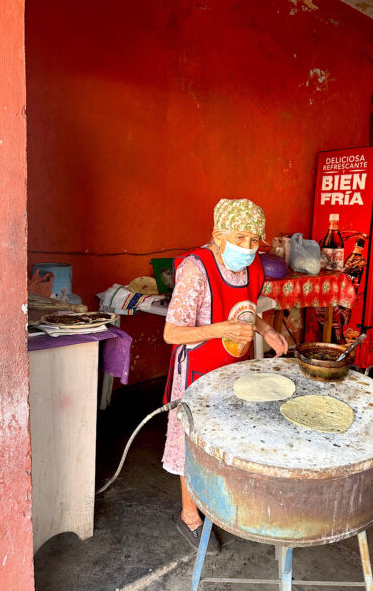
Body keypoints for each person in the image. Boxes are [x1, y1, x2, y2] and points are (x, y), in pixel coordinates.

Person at [162, 198, 288, 554]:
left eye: (254, 239)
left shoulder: (254, 267)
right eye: (240, 237)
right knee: (192, 441)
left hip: (232, 369)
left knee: (227, 437)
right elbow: (172, 333)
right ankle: (189, 514)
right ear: (218, 234)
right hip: (198, 370)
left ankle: (218, 500)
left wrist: (266, 330)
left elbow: (247, 311)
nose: (248, 247)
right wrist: (222, 330)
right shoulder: (195, 269)